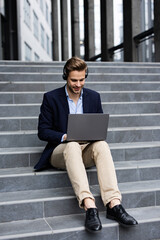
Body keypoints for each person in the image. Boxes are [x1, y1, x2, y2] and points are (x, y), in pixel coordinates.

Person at [34, 57, 138, 232]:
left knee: (102, 145)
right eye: (74, 80)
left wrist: (93, 135)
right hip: (62, 151)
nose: (78, 84)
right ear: (65, 77)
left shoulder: (94, 97)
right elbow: (42, 131)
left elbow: (98, 125)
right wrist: (65, 136)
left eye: (82, 79)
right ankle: (89, 206)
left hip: (86, 149)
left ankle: (114, 204)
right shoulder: (51, 98)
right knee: (73, 145)